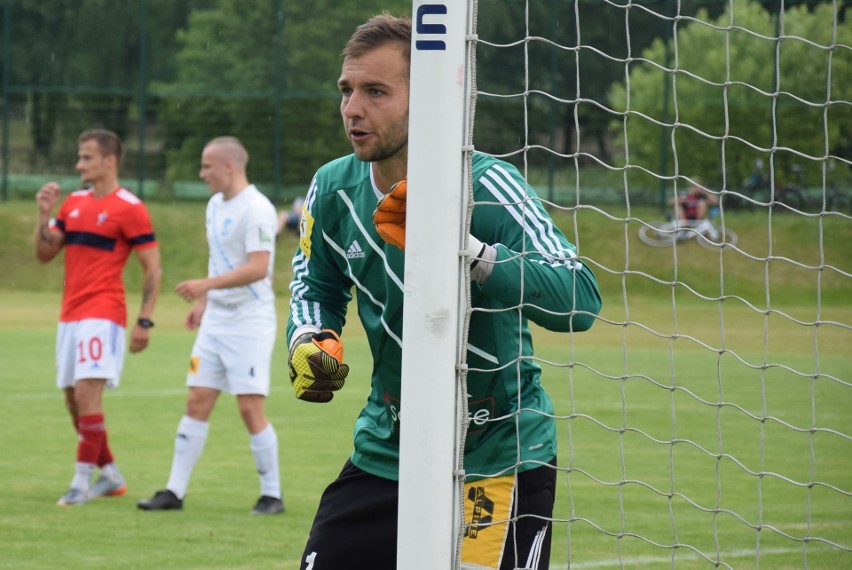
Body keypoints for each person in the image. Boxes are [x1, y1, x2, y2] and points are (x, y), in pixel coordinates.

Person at [286, 14, 602, 570]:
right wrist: (311, 338)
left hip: (498, 455)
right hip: (388, 450)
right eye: (347, 90)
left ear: (429, 97)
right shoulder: (332, 189)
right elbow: (316, 286)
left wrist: (469, 252)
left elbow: (579, 297)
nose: (352, 108)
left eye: (375, 91)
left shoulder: (487, 184)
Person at [137, 136, 284, 515]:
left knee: (250, 408)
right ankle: (174, 491)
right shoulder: (214, 205)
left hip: (250, 322)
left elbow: (257, 267)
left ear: (228, 167)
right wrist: (204, 301)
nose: (202, 174)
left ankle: (272, 495)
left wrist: (204, 286)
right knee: (197, 400)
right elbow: (219, 259)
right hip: (216, 320)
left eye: (207, 166)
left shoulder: (258, 208)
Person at [34, 128, 162, 506]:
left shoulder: (130, 207)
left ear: (110, 161)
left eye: (86, 157)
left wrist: (145, 319)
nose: (79, 164)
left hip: (103, 313)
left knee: (88, 394)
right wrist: (43, 214)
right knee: (72, 399)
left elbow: (153, 268)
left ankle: (80, 483)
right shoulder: (71, 203)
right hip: (69, 314)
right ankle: (110, 475)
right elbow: (44, 254)